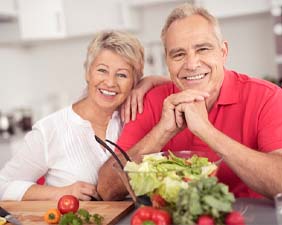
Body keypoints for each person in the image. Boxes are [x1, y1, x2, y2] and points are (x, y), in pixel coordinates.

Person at [97, 3, 282, 200]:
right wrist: (163, 131)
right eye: (178, 54)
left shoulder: (267, 97)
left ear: (223, 52)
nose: (192, 64)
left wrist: (206, 131)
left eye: (202, 49)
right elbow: (107, 190)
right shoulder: (150, 101)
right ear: (167, 61)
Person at [0, 31, 169, 201]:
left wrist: (150, 81)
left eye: (122, 75)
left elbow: (181, 85)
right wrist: (61, 193)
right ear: (87, 73)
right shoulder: (50, 130)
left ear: (134, 81)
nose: (110, 82)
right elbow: (3, 185)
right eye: (102, 70)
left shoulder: (135, 117)